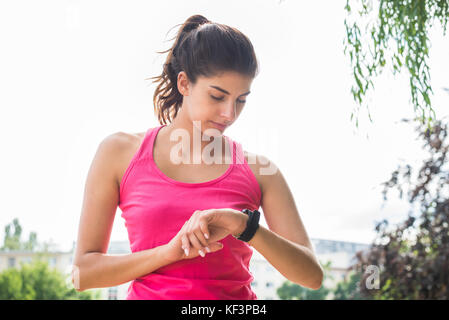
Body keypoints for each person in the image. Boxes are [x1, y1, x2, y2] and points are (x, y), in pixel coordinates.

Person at [72, 14, 323, 300]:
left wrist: (243, 225)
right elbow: (83, 273)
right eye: (217, 96)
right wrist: (169, 252)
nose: (230, 113)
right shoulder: (118, 153)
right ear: (184, 84)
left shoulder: (261, 171)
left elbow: (312, 276)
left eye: (241, 100)